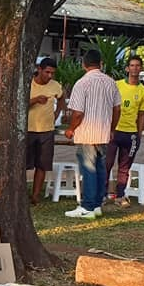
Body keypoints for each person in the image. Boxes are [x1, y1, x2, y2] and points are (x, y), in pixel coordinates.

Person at [64, 49, 121, 218]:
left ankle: (88, 206)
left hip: (87, 133)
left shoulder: (82, 83)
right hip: (103, 133)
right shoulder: (111, 82)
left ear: (84, 64)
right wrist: (112, 128)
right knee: (100, 169)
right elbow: (117, 109)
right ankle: (97, 204)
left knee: (88, 169)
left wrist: (71, 129)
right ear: (100, 63)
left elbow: (78, 113)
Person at [105, 55, 144, 207]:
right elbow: (108, 106)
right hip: (113, 131)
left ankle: (120, 195)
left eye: (137, 65)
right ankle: (102, 194)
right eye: (132, 65)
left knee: (124, 167)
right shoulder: (116, 85)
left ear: (141, 68)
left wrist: (139, 134)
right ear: (127, 68)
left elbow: (142, 115)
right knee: (107, 164)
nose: (135, 68)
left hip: (130, 133)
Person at [27, 58, 66, 205]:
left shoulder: (55, 86)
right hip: (28, 130)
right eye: (47, 72)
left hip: (47, 131)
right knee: (24, 164)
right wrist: (35, 100)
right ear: (40, 69)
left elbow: (62, 98)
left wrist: (57, 114)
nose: (49, 76)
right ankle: (21, 192)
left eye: (52, 73)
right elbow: (19, 103)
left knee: (42, 165)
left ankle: (36, 195)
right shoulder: (28, 84)